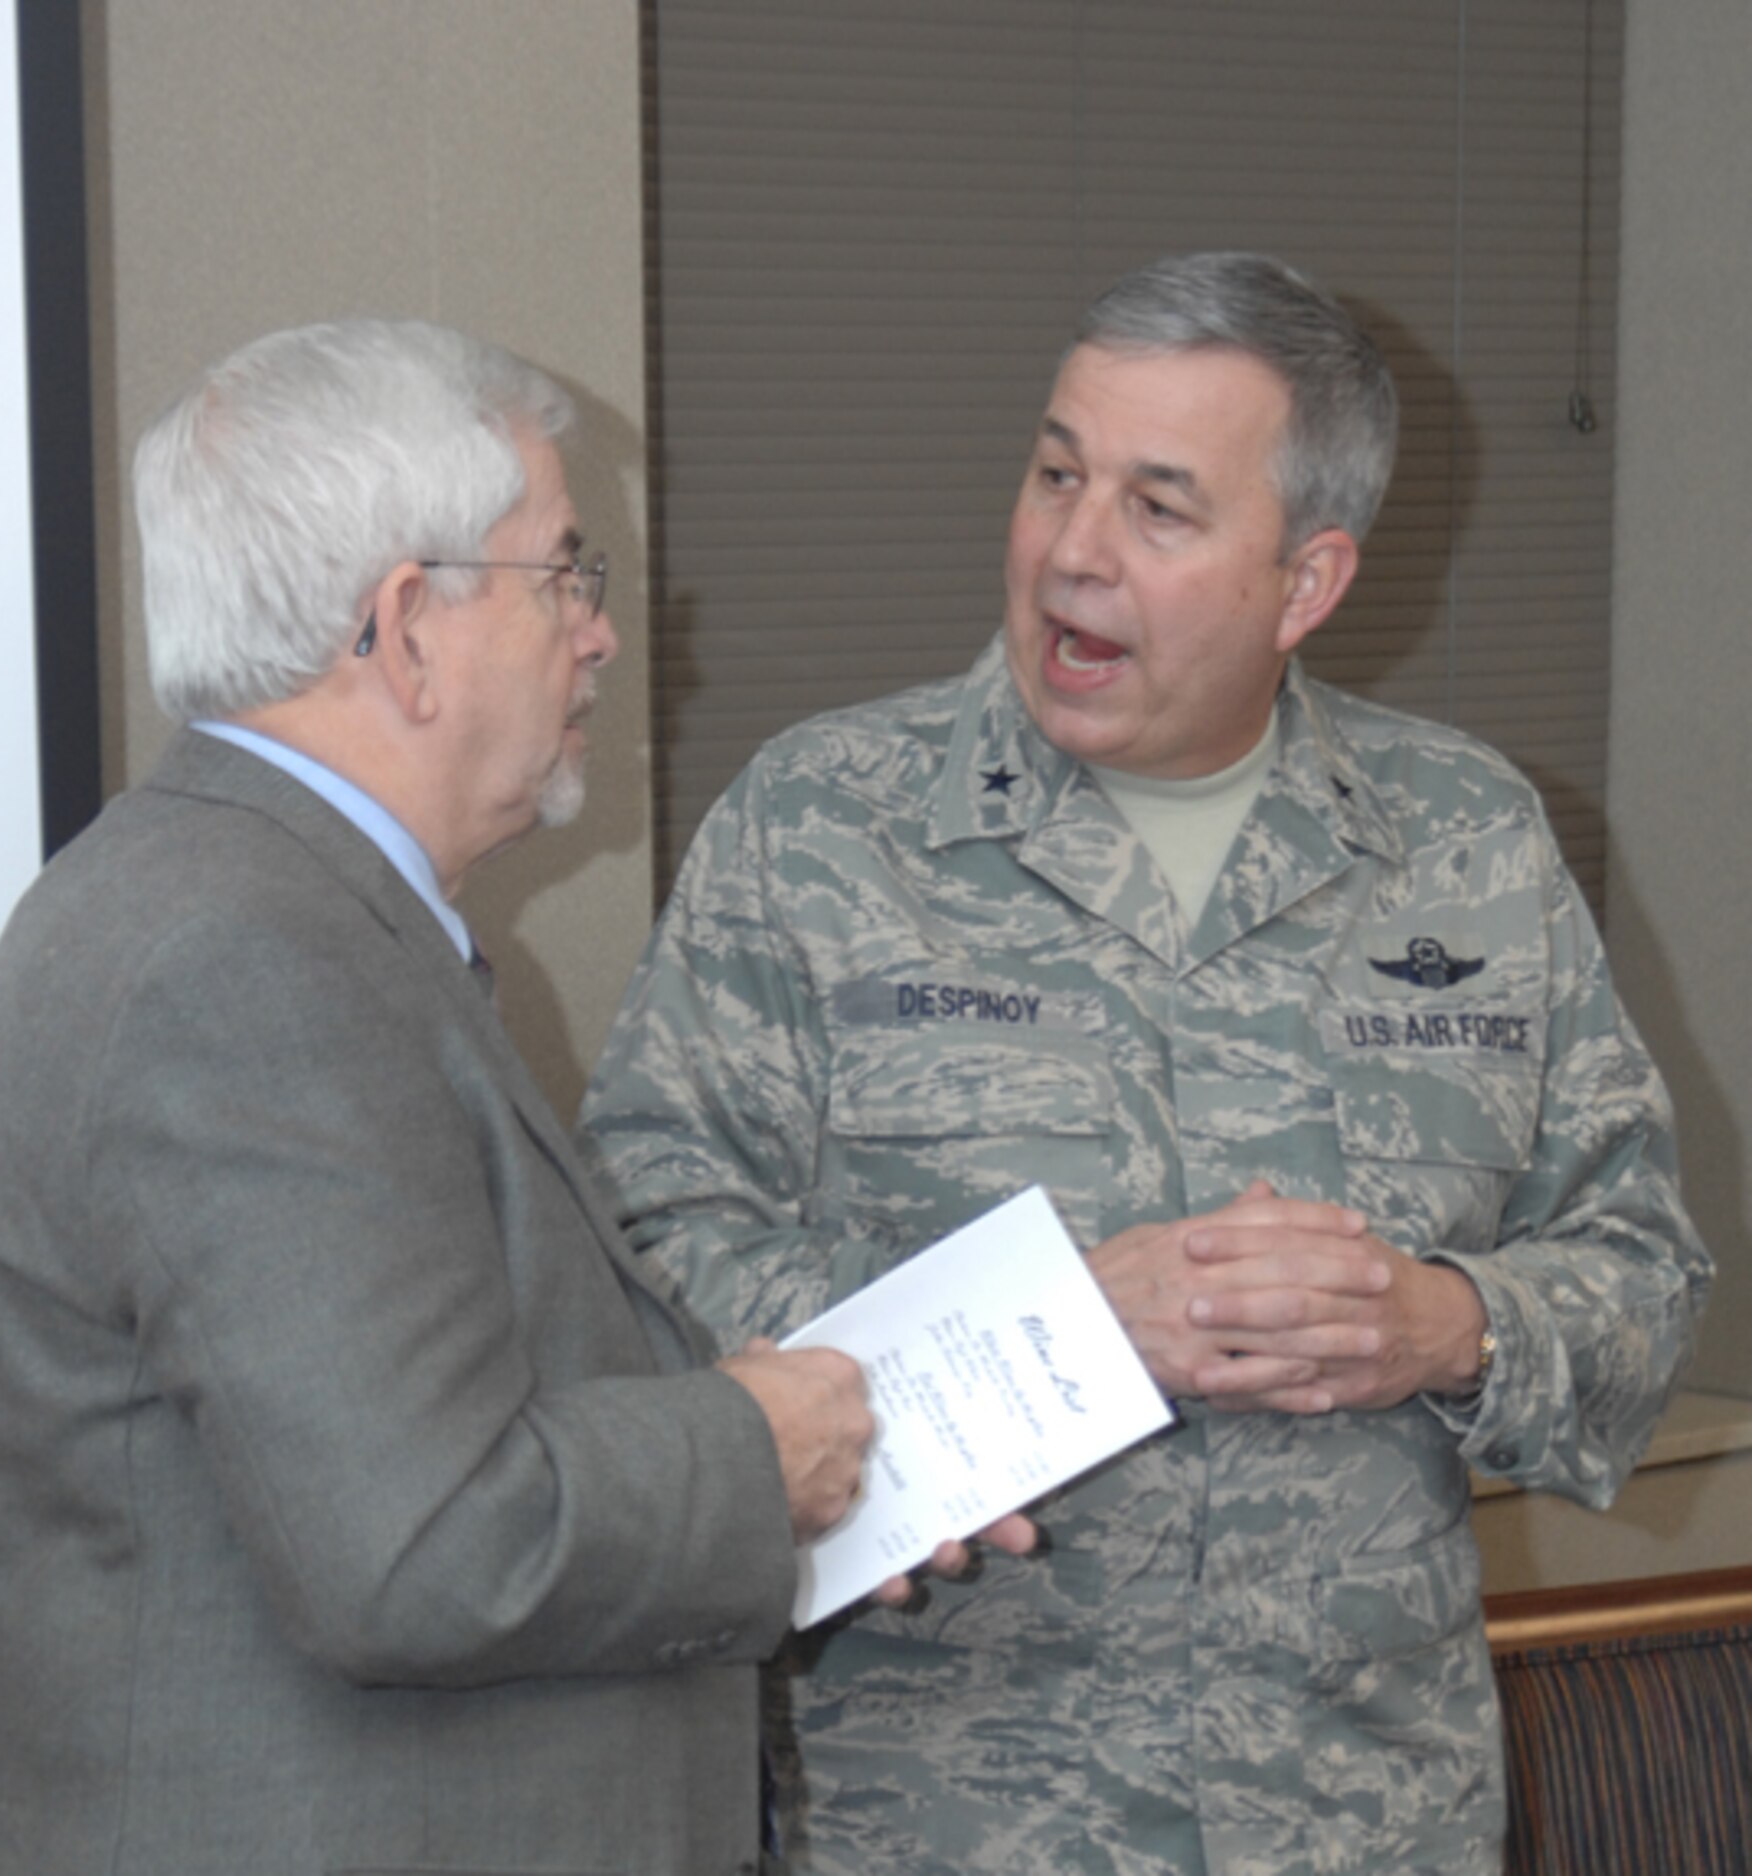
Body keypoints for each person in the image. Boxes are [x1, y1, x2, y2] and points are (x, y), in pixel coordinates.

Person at [579, 253, 1712, 1874]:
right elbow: (630, 1267)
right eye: (1057, 475)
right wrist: (1038, 1327)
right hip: (931, 1819)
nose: (1070, 552)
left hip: (1365, 1823)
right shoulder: (818, 827)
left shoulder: (1467, 843)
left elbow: (1643, 1282)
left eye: (1159, 509)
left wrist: (1448, 1327)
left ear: (1307, 581)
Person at [0, 318, 881, 1876]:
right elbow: (424, 1547)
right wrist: (742, 1453)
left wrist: (770, 1446)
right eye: (565, 574)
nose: (600, 636)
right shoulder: (241, 963)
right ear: (404, 627)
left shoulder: (262, 906)